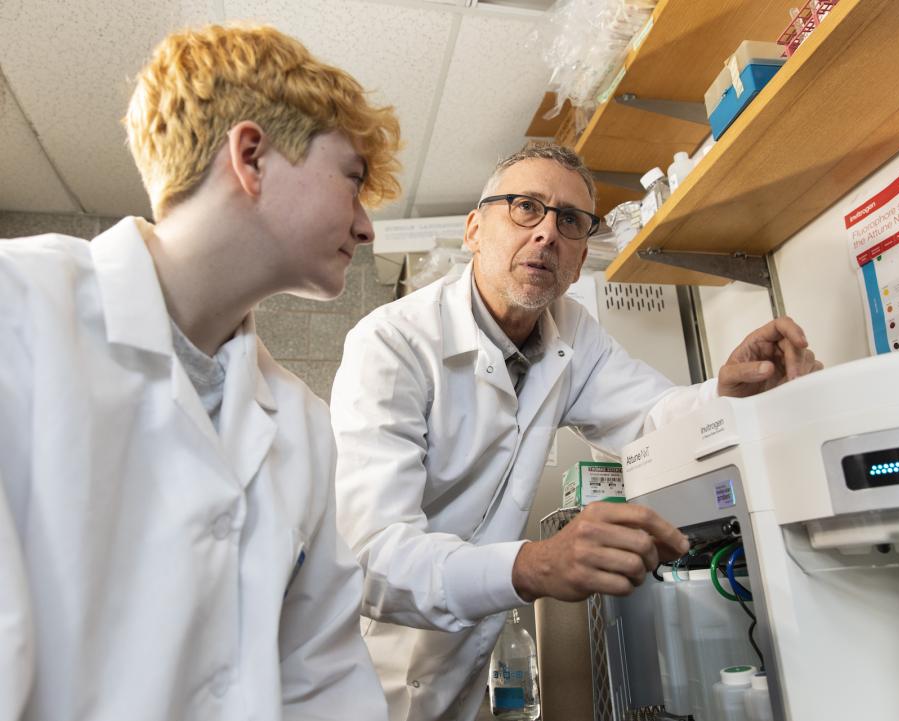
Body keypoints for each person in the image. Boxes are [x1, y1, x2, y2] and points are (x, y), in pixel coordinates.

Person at [330, 142, 821, 721]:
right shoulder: (392, 344)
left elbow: (649, 418)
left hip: (457, 683)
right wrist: (533, 564)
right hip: (356, 677)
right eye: (524, 208)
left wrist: (729, 390)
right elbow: (372, 556)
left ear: (582, 251)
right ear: (474, 230)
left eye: (569, 220)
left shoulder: (571, 332)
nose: (546, 233)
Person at [0, 24, 400, 721]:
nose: (367, 228)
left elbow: (321, 680)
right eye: (353, 179)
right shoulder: (18, 311)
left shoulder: (302, 423)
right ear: (252, 156)